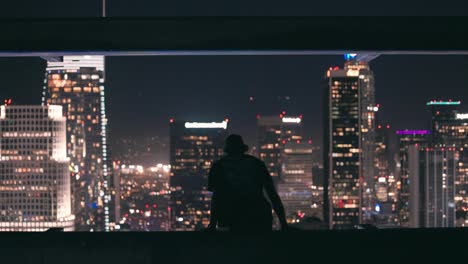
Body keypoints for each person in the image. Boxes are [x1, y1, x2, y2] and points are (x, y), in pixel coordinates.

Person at [206, 134, 288, 232]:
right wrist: (283, 224)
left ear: (227, 149)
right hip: (258, 215)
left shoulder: (218, 166)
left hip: (232, 216)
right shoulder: (257, 164)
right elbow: (272, 194)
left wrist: (212, 224)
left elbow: (217, 197)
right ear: (243, 148)